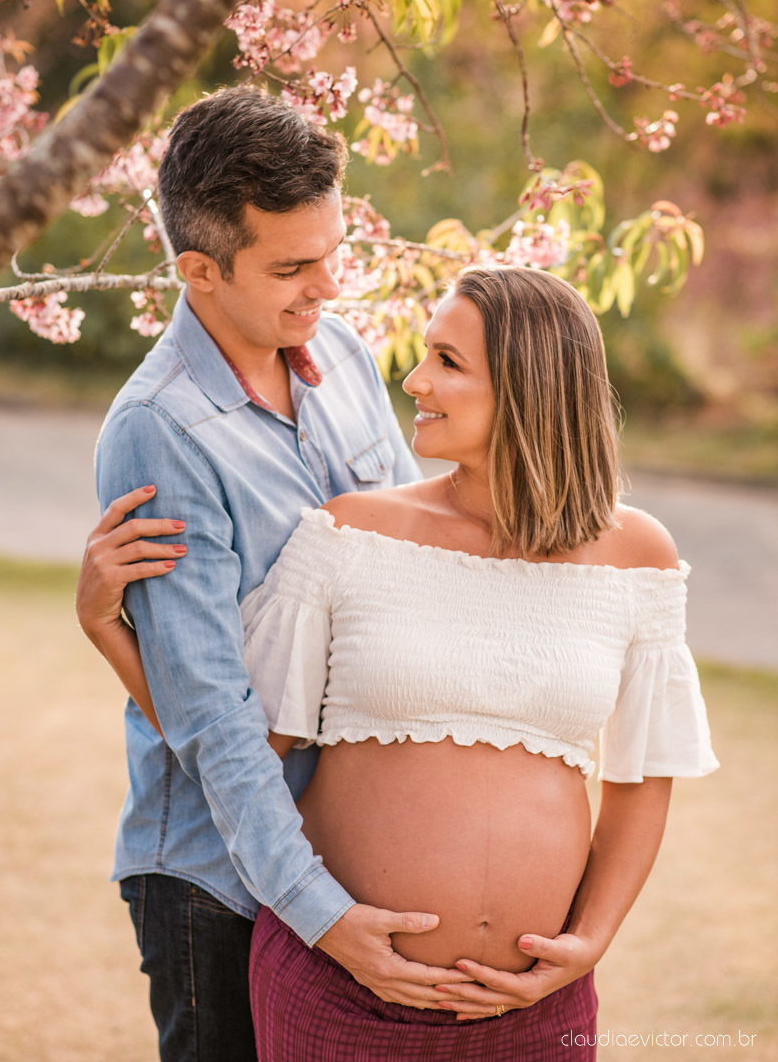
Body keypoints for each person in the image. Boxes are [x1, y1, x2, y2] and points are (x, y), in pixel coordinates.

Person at [79, 264, 719, 1059]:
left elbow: (639, 780)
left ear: (532, 387)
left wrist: (589, 942)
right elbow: (241, 743)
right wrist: (110, 633)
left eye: (448, 363)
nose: (414, 380)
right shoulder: (352, 533)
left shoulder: (639, 556)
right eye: (424, 354)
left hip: (532, 1006)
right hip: (338, 983)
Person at [81, 84, 484, 1062]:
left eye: (333, 252)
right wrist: (319, 911)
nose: (328, 286)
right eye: (292, 267)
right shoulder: (161, 432)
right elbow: (217, 715)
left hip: (345, 852)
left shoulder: (337, 352)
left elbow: (408, 561)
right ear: (199, 270)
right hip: (216, 881)